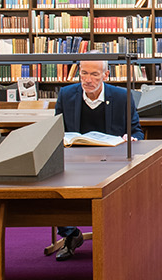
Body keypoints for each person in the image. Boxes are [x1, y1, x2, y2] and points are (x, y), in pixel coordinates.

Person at [50, 59, 144, 261]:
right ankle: (71, 235)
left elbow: (136, 130)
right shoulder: (66, 95)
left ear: (106, 75)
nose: (88, 80)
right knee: (54, 189)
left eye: (94, 74)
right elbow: (55, 130)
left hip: (111, 161)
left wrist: (132, 138)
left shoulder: (121, 96)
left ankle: (116, 237)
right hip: (74, 160)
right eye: (84, 73)